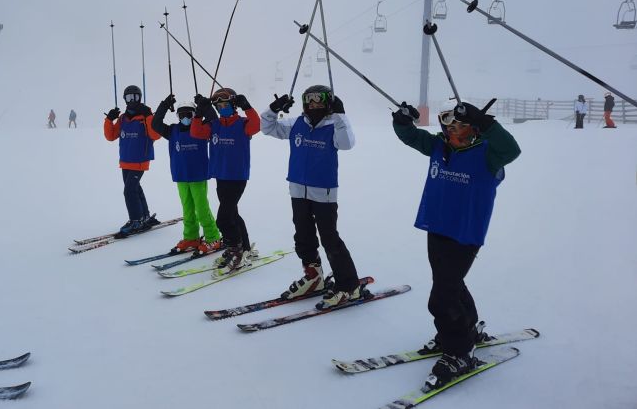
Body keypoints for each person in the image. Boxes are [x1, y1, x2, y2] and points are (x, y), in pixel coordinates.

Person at [391, 98, 520, 390]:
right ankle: (467, 328)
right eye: (448, 124)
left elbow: (512, 150)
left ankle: (460, 351)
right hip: (436, 226)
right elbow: (410, 135)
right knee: (450, 282)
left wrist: (488, 124)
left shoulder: (489, 154)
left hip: (465, 233)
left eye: (459, 125)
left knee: (441, 297)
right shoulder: (440, 146)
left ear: (473, 129)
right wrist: (402, 119)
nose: (452, 130)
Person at [261, 85, 368, 309]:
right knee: (303, 235)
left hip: (324, 193)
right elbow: (267, 128)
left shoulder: (333, 126)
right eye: (309, 101)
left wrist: (340, 114)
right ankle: (313, 276)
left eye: (319, 101)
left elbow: (347, 143)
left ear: (328, 103)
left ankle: (349, 286)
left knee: (330, 238)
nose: (314, 105)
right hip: (298, 189)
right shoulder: (297, 124)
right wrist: (274, 109)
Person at [190, 87, 260, 273]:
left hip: (237, 177)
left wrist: (247, 107)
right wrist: (198, 113)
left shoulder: (243, 123)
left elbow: (256, 125)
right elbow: (196, 133)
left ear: (233, 104)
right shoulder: (215, 125)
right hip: (220, 176)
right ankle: (244, 247)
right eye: (218, 106)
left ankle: (235, 250)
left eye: (226, 104)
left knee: (223, 218)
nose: (222, 108)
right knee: (233, 214)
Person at [151, 96, 222, 255]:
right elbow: (155, 124)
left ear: (194, 114)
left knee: (202, 209)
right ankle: (191, 237)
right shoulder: (172, 131)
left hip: (198, 176)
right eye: (181, 115)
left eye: (188, 114)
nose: (185, 118)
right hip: (181, 176)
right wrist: (164, 105)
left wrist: (205, 106)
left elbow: (214, 120)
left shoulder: (201, 129)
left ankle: (213, 237)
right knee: (188, 210)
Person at [103, 85, 161, 237]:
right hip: (125, 160)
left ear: (140, 98)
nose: (132, 100)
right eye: (129, 98)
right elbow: (111, 136)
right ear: (125, 99)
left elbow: (155, 135)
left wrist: (149, 116)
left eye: (135, 97)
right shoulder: (123, 118)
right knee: (135, 189)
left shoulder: (145, 116)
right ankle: (144, 216)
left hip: (140, 160)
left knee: (129, 191)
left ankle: (135, 220)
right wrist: (109, 119)